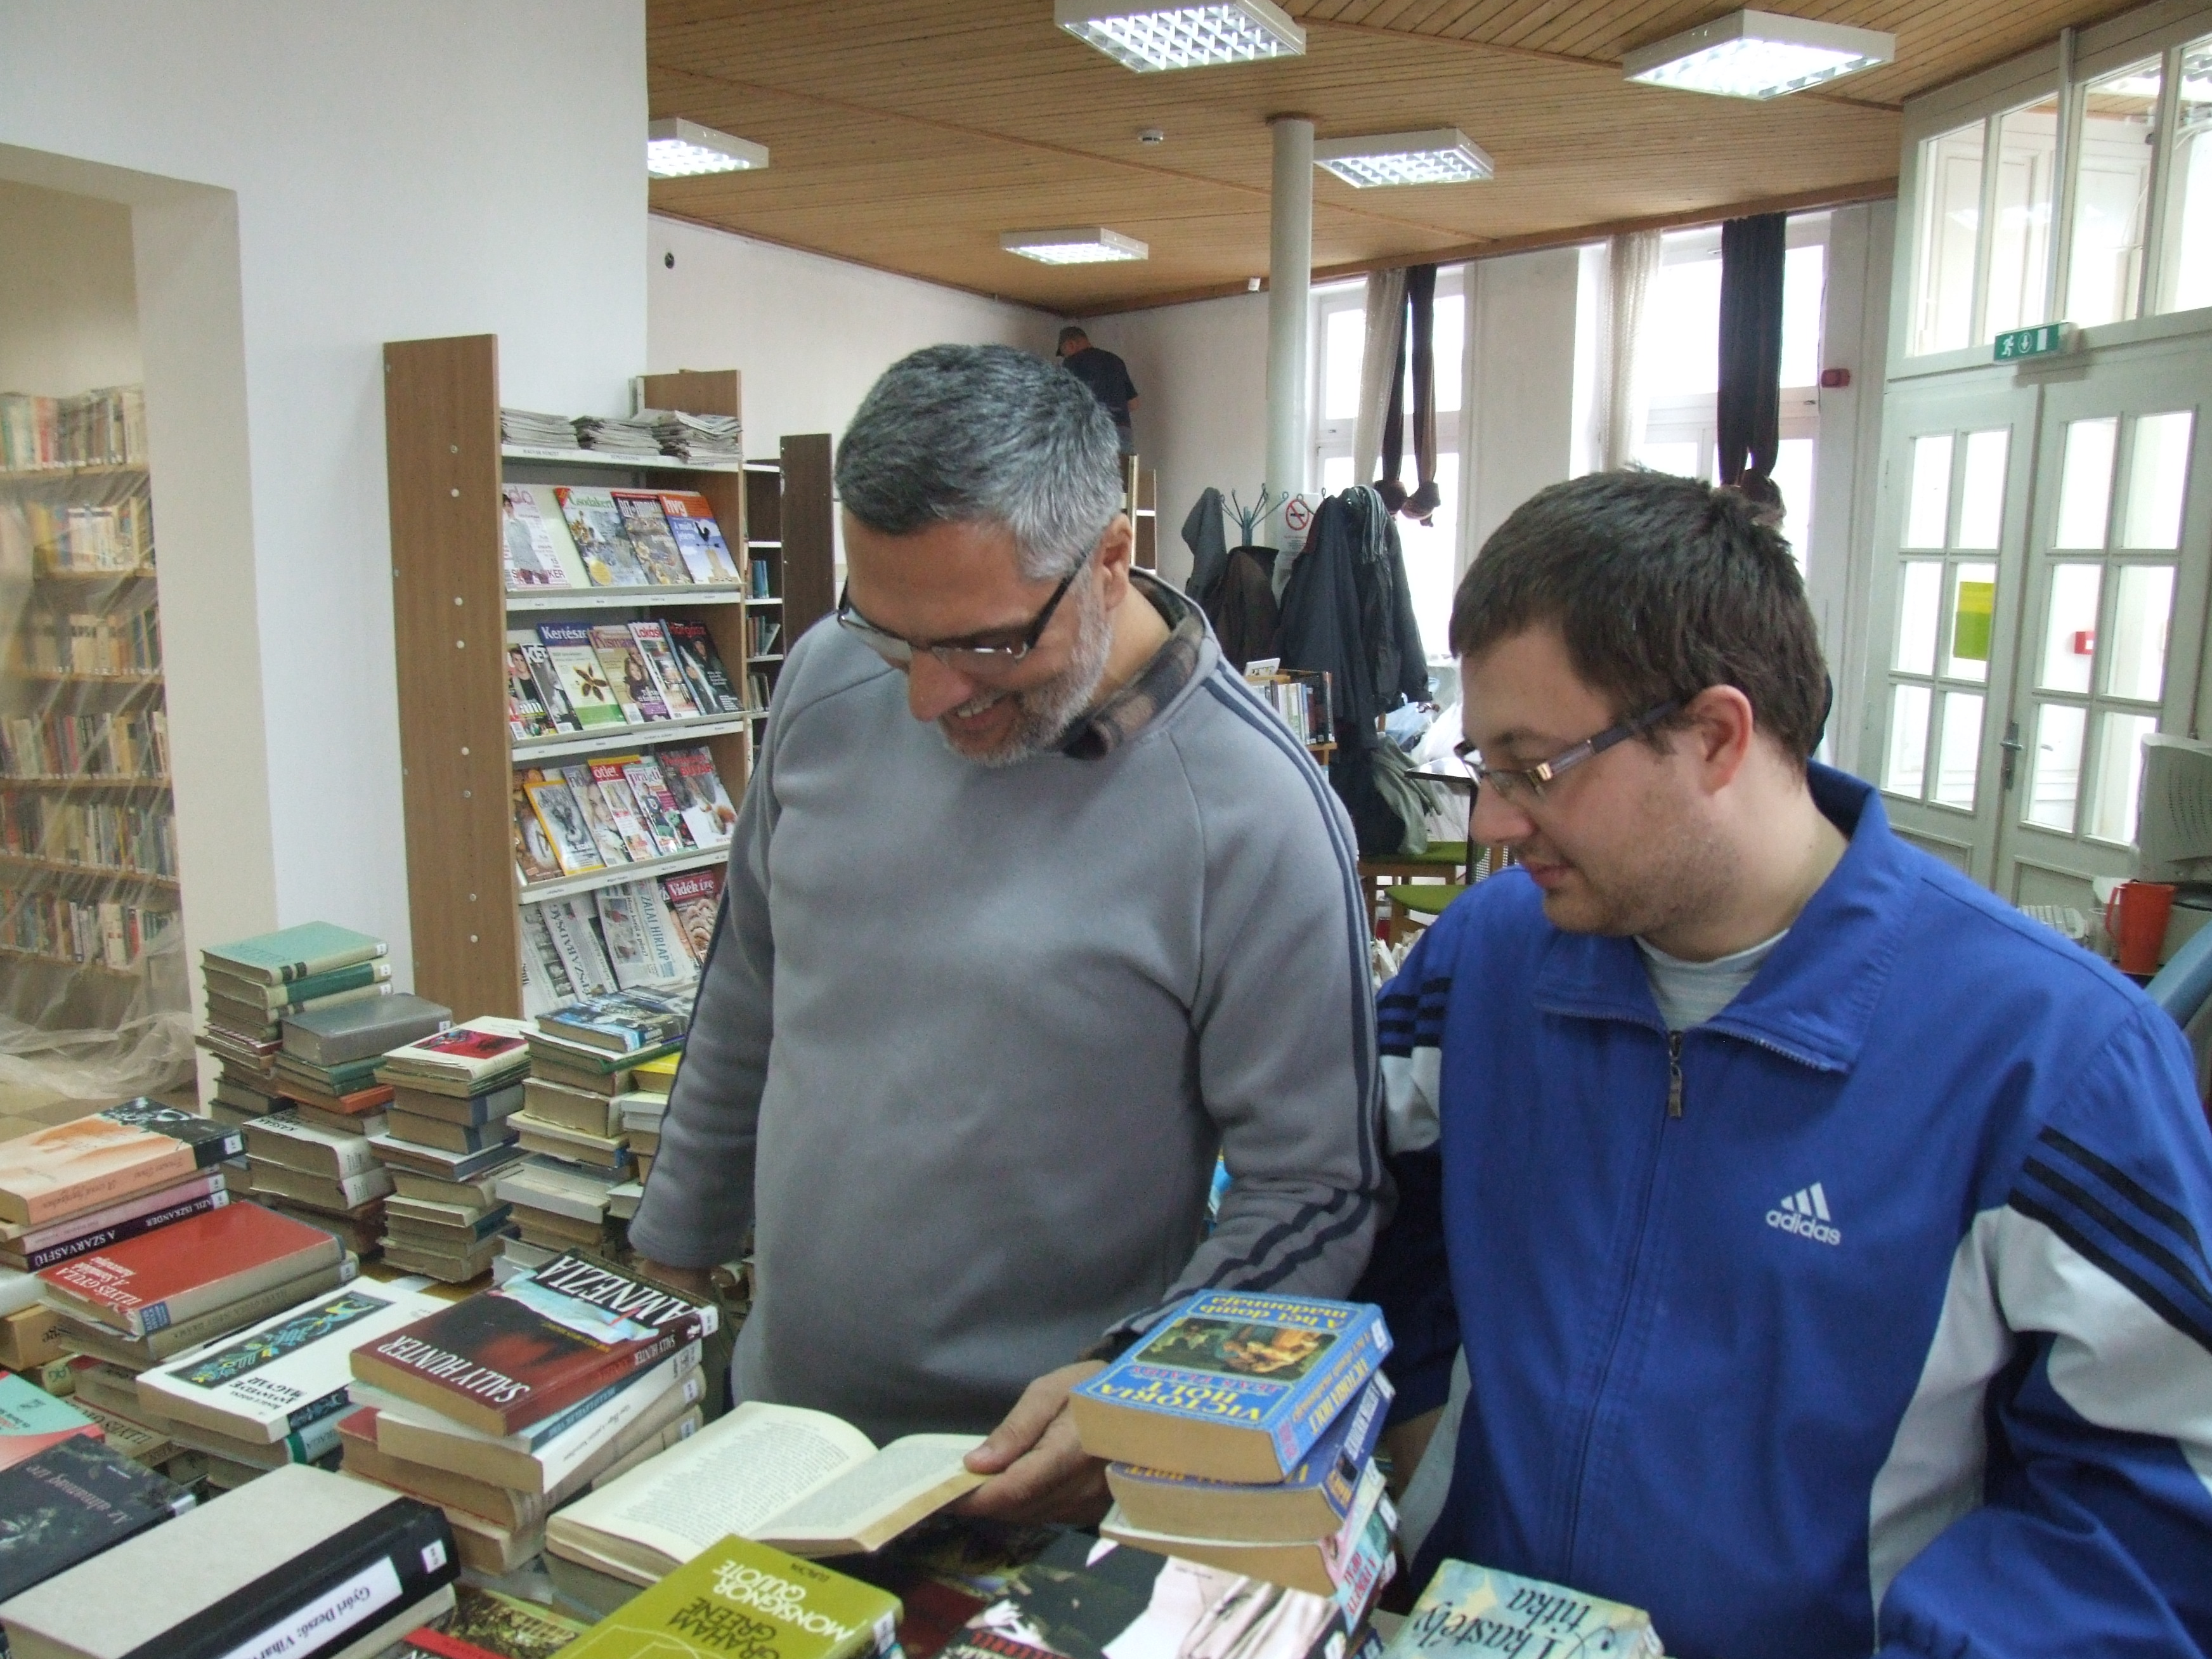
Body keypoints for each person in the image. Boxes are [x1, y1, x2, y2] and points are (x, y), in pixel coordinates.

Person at [1358, 469, 2212, 1658]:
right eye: (1481, 765)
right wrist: (1416, 1453)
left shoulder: (2052, 1060)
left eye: (1532, 767)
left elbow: (2147, 1514)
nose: (1493, 822)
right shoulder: (1482, 966)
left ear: (1716, 737)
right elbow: (1371, 1221)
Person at [628, 343, 1381, 1525]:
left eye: (984, 644)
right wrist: (671, 1259)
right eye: (891, 632)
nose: (925, 696)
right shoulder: (827, 681)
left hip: (1034, 1495)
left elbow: (1315, 1186)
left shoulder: (1255, 813)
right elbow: (747, 1000)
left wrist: (1140, 1381)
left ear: (1111, 560)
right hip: (773, 1431)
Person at [1055, 325, 1138, 454]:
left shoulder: (1071, 364)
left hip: (1092, 431)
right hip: (1122, 431)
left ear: (1071, 345)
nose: (1065, 357)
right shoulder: (1116, 361)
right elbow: (1134, 404)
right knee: (1124, 467)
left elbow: (1063, 404)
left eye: (1064, 352)